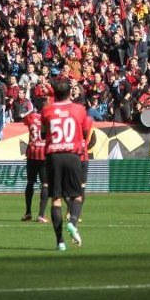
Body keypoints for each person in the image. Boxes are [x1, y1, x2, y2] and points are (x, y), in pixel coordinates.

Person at [41, 80, 92, 251]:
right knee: (76, 196)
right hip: (72, 155)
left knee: (56, 199)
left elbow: (43, 132)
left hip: (53, 156)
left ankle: (60, 242)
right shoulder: (79, 109)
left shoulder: (47, 109)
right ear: (70, 92)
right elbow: (85, 132)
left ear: (54, 93)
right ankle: (72, 222)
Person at [23, 99, 48, 223]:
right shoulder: (48, 118)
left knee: (30, 182)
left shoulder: (31, 117)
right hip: (44, 154)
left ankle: (28, 212)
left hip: (32, 153)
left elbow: (24, 119)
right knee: (45, 184)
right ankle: (41, 215)